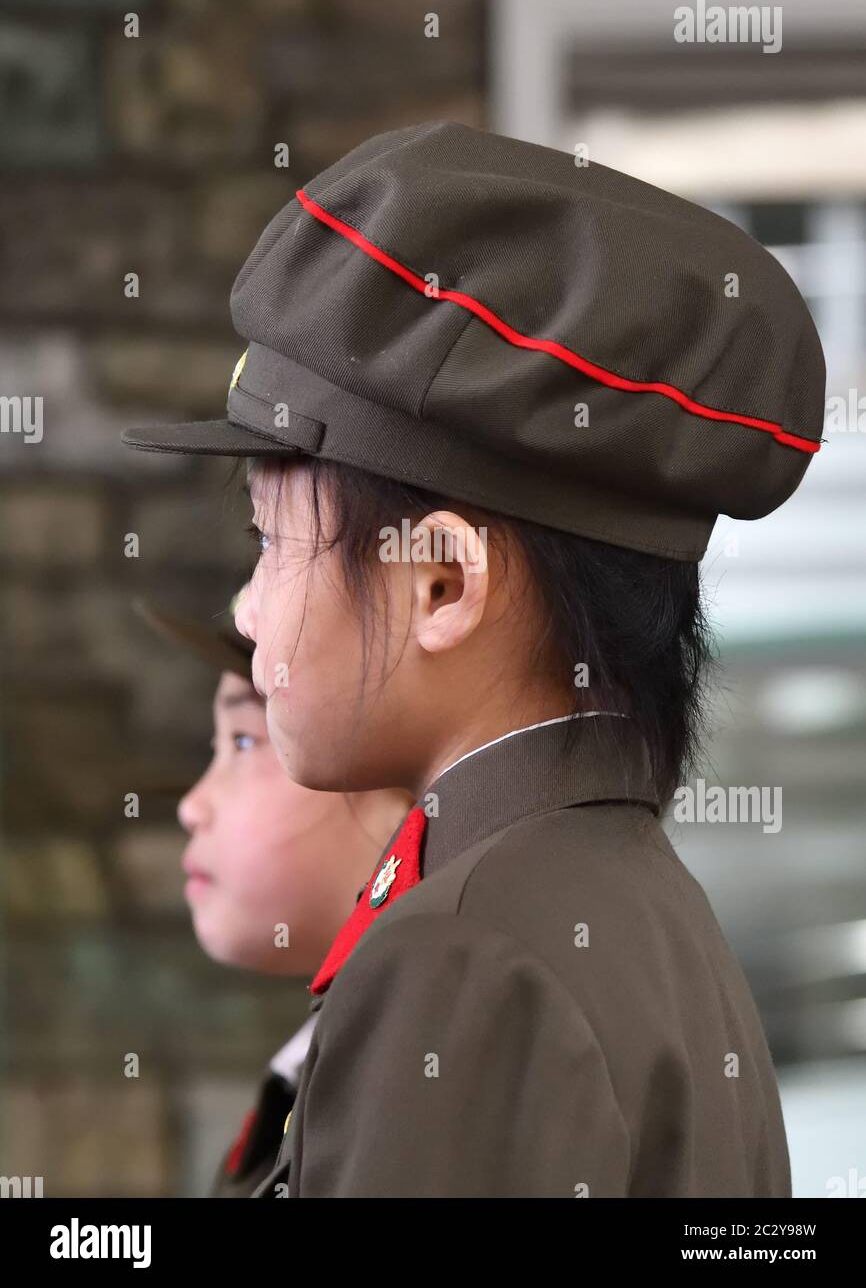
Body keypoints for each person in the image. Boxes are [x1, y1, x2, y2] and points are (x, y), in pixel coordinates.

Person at [124, 120, 825, 1197]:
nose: (246, 607)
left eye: (271, 541)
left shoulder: (464, 958)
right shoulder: (623, 908)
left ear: (439, 583)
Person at [136, 597, 411, 1195]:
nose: (190, 805)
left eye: (241, 741)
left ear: (400, 773)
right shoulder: (322, 1070)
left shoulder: (417, 1073)